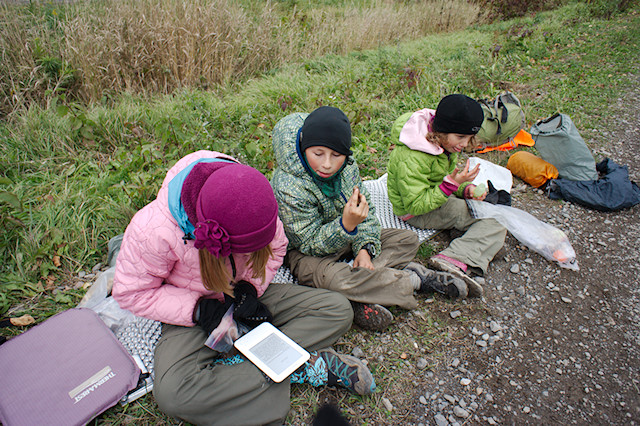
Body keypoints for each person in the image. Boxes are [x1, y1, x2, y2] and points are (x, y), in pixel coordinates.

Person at [112, 150, 375, 426]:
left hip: (241, 295)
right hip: (194, 309)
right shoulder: (153, 231)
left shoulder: (252, 195)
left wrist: (251, 288)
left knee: (336, 311)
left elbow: (276, 248)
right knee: (172, 393)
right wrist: (198, 310)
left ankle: (245, 374)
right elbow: (130, 292)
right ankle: (300, 365)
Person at [270, 106, 467, 332]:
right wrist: (345, 226)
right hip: (305, 253)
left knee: (407, 239)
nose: (327, 164)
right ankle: (413, 280)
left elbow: (367, 211)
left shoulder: (347, 168)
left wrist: (364, 248)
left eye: (336, 155)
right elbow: (307, 241)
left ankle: (361, 293)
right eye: (318, 154)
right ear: (305, 148)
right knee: (331, 280)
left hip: (347, 232)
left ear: (346, 154)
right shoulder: (288, 186)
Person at [386, 94, 508, 295]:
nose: (463, 144)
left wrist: (464, 188)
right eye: (460, 137)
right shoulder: (414, 156)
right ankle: (454, 258)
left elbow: (441, 179)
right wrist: (451, 186)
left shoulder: (442, 143)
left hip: (433, 198)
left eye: (469, 138)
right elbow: (415, 205)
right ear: (442, 129)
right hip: (415, 212)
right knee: (495, 221)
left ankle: (472, 240)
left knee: (490, 212)